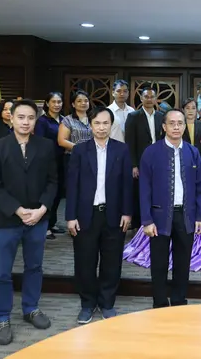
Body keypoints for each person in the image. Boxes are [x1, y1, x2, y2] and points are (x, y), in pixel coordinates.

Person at [0, 99, 57, 346]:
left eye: (30, 118)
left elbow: (53, 182)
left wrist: (42, 210)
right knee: (2, 272)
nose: (26, 122)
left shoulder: (46, 146)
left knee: (34, 267)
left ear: (35, 120)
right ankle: (1, 317)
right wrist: (17, 210)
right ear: (11, 119)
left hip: (37, 219)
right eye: (21, 117)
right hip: (7, 219)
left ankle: (30, 308)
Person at [66, 107, 133, 323]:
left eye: (106, 123)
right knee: (85, 262)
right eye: (97, 123)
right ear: (91, 125)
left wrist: (127, 212)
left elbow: (126, 185)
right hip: (86, 215)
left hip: (113, 215)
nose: (102, 127)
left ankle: (107, 303)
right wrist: (70, 216)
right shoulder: (79, 150)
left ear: (111, 125)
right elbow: (72, 185)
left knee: (111, 262)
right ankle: (87, 304)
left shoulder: (122, 150)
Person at [140, 109, 201, 308]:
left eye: (180, 123)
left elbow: (200, 187)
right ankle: (160, 304)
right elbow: (144, 188)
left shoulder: (192, 152)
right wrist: (146, 219)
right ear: (164, 127)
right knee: (159, 263)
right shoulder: (151, 152)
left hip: (186, 216)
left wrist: (200, 217)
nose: (176, 127)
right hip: (159, 217)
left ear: (185, 126)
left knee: (182, 262)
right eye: (172, 123)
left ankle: (179, 302)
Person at [124, 87, 165, 228]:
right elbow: (129, 142)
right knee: (140, 191)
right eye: (146, 97)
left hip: (159, 159)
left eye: (151, 97)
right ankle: (138, 223)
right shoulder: (133, 116)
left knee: (157, 190)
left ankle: (156, 219)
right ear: (141, 99)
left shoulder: (161, 116)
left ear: (155, 99)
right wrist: (134, 165)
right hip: (141, 160)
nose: (149, 99)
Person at [57, 90, 93, 238]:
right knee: (75, 191)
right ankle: (73, 222)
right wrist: (81, 149)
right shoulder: (67, 120)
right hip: (73, 159)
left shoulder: (94, 118)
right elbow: (62, 141)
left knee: (89, 190)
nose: (83, 103)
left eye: (85, 100)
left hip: (92, 160)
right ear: (73, 104)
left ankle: (88, 221)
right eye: (79, 101)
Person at [35, 92, 66, 239]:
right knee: (48, 193)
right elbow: (39, 142)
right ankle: (45, 225)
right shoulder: (42, 121)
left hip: (62, 160)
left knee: (59, 193)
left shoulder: (64, 119)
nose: (57, 105)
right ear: (47, 104)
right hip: (48, 161)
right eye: (53, 102)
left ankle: (52, 222)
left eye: (59, 102)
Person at [180, 97, 201, 167]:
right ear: (183, 110)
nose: (190, 111)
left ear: (196, 110)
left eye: (193, 108)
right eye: (187, 108)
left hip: (199, 162)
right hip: (182, 163)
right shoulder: (179, 125)